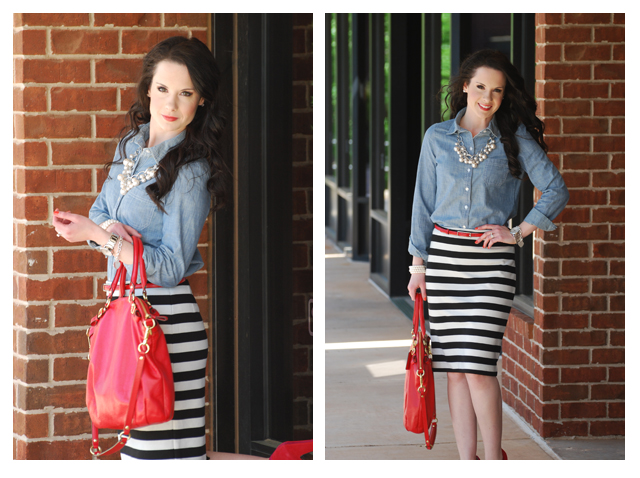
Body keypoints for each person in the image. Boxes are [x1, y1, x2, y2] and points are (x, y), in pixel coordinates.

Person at [52, 36, 228, 460]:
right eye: (164, 89)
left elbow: (168, 267)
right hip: (127, 320)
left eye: (186, 93)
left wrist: (103, 236)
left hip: (166, 329)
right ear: (148, 88)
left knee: (169, 460)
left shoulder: (190, 170)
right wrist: (108, 232)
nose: (171, 103)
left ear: (201, 100)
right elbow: (100, 210)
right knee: (142, 458)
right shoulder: (131, 144)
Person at [407, 49, 569, 460]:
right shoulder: (436, 138)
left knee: (478, 367)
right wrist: (417, 266)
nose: (487, 97)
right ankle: (467, 461)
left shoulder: (514, 138)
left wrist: (516, 233)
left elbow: (556, 189)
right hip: (443, 260)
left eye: (496, 91)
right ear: (465, 86)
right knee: (455, 369)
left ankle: (493, 459)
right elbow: (422, 206)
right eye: (480, 87)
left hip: (490, 264)